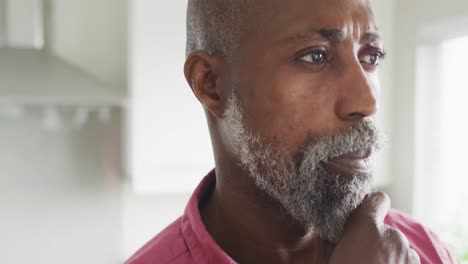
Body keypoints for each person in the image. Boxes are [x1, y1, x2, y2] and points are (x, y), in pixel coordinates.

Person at [126, 0, 458, 263]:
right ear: (211, 84)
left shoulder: (424, 250)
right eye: (316, 56)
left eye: (370, 56)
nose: (366, 101)